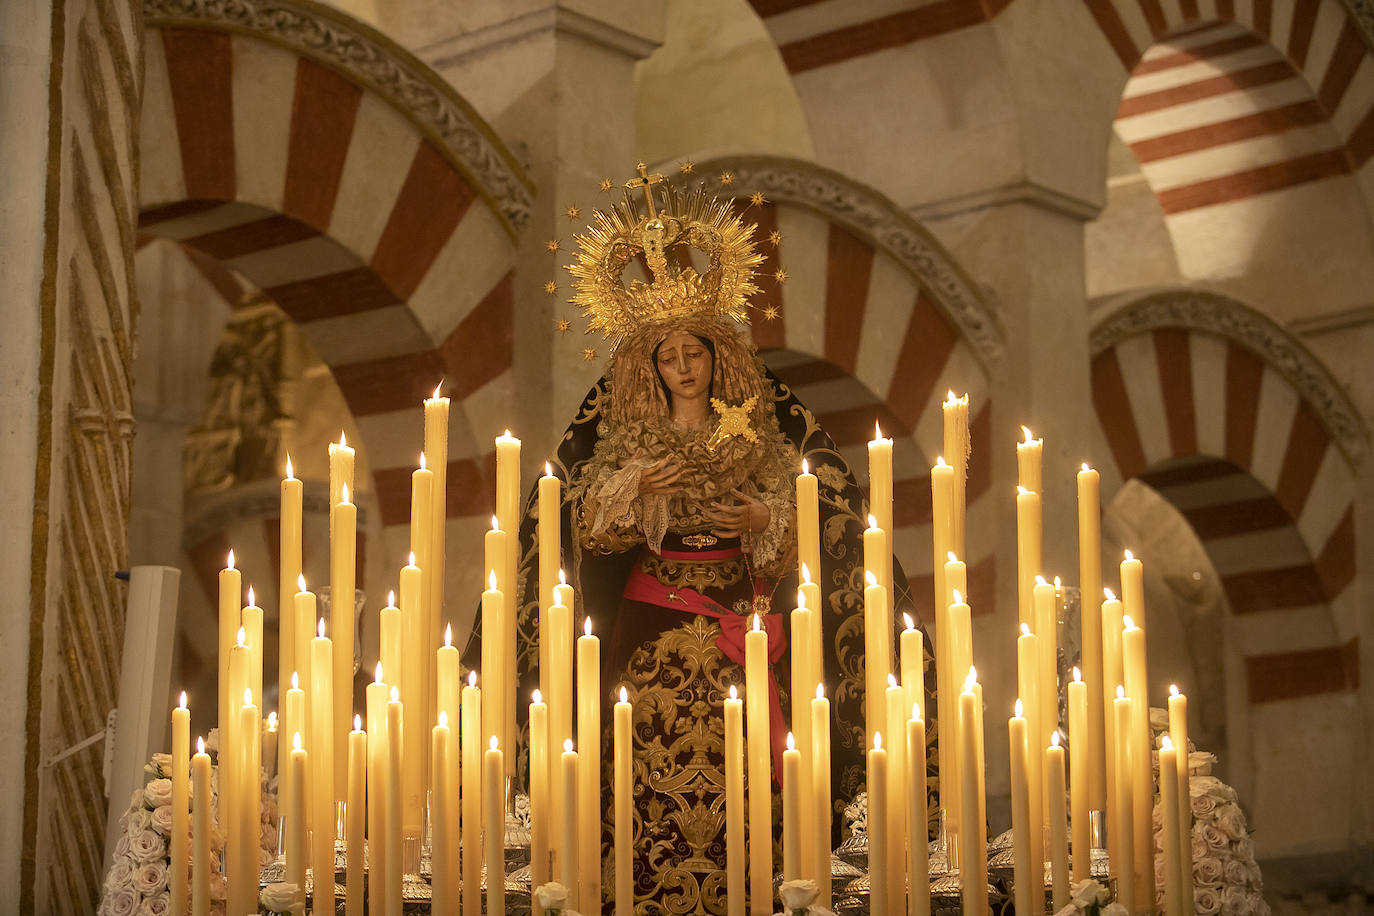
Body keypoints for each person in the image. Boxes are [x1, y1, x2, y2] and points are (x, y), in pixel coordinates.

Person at [490, 175, 934, 914]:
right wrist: (633, 491)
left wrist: (763, 525)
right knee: (633, 784)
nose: (684, 368)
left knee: (757, 789)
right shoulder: (625, 436)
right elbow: (583, 532)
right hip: (649, 639)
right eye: (667, 358)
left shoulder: (758, 430)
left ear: (713, 355)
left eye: (693, 352)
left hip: (747, 637)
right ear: (650, 369)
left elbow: (816, 511)